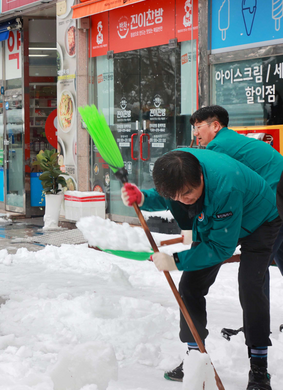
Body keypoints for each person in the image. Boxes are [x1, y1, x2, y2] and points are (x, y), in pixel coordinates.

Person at [121, 149, 279, 390]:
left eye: (188, 193)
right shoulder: (179, 170)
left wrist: (176, 260)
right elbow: (168, 195)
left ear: (201, 178)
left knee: (251, 286)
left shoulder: (225, 187)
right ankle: (195, 357)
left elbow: (220, 247)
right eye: (178, 196)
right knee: (189, 287)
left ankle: (259, 368)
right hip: (216, 221)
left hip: (260, 220)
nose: (184, 199)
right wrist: (143, 199)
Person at [191, 105, 283, 281]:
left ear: (215, 126)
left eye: (198, 127)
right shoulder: (231, 140)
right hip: (277, 196)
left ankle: (257, 309)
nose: (195, 133)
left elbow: (217, 186)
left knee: (256, 270)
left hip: (275, 200)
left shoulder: (218, 146)